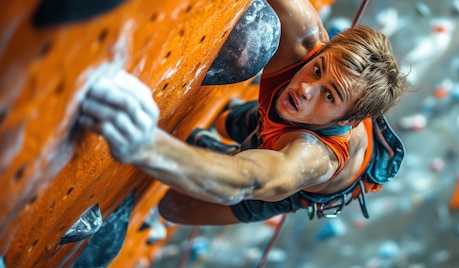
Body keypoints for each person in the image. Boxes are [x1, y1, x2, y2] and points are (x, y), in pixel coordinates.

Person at [79, 0, 405, 225]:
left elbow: (248, 181)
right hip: (288, 122)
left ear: (347, 119)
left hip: (299, 159)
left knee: (175, 207)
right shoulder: (306, 44)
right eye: (318, 70)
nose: (306, 88)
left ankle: (224, 151)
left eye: (329, 95)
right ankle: (226, 142)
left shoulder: (312, 157)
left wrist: (146, 146)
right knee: (227, 121)